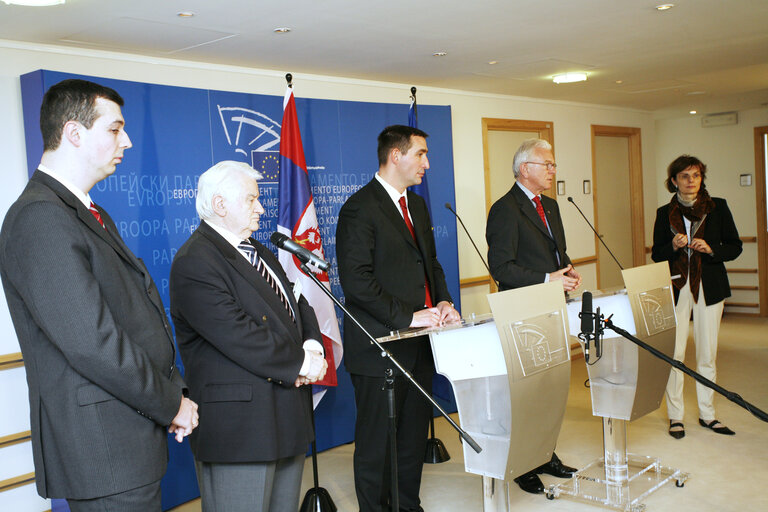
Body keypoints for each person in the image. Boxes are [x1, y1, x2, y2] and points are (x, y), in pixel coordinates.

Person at [0, 79, 198, 511]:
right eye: (114, 129)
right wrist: (170, 404)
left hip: (125, 434)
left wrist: (173, 391)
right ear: (73, 133)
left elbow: (131, 315)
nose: (126, 140)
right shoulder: (40, 218)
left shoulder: (88, 210)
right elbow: (93, 342)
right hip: (103, 449)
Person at [169, 160, 327, 512]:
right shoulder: (195, 261)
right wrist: (302, 362)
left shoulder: (260, 251)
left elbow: (298, 301)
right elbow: (239, 334)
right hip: (240, 431)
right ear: (221, 205)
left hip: (285, 417)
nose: (261, 207)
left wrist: (313, 343)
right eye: (251, 199)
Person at [336, 125, 460, 512]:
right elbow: (357, 282)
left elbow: (431, 264)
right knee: (376, 445)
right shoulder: (358, 208)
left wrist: (442, 302)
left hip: (421, 344)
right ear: (396, 156)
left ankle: (407, 505)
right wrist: (409, 316)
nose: (428, 163)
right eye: (421, 154)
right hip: (380, 348)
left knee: (410, 439)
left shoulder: (417, 206)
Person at [485, 138, 579, 494]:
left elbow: (558, 253)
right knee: (525, 392)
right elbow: (501, 267)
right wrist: (546, 279)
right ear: (526, 169)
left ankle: (545, 453)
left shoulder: (551, 206)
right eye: (548, 165)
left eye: (553, 165)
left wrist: (566, 273)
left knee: (549, 388)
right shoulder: (505, 209)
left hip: (552, 307)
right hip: (522, 313)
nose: (554, 171)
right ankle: (524, 463)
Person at [651, 155, 741, 439]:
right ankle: (675, 417)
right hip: (677, 287)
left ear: (702, 179)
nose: (691, 181)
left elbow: (735, 247)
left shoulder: (719, 208)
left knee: (706, 354)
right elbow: (657, 254)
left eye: (696, 175)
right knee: (674, 354)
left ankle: (708, 415)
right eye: (685, 176)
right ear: (674, 180)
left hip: (710, 287)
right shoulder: (663, 212)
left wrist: (711, 249)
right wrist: (673, 246)